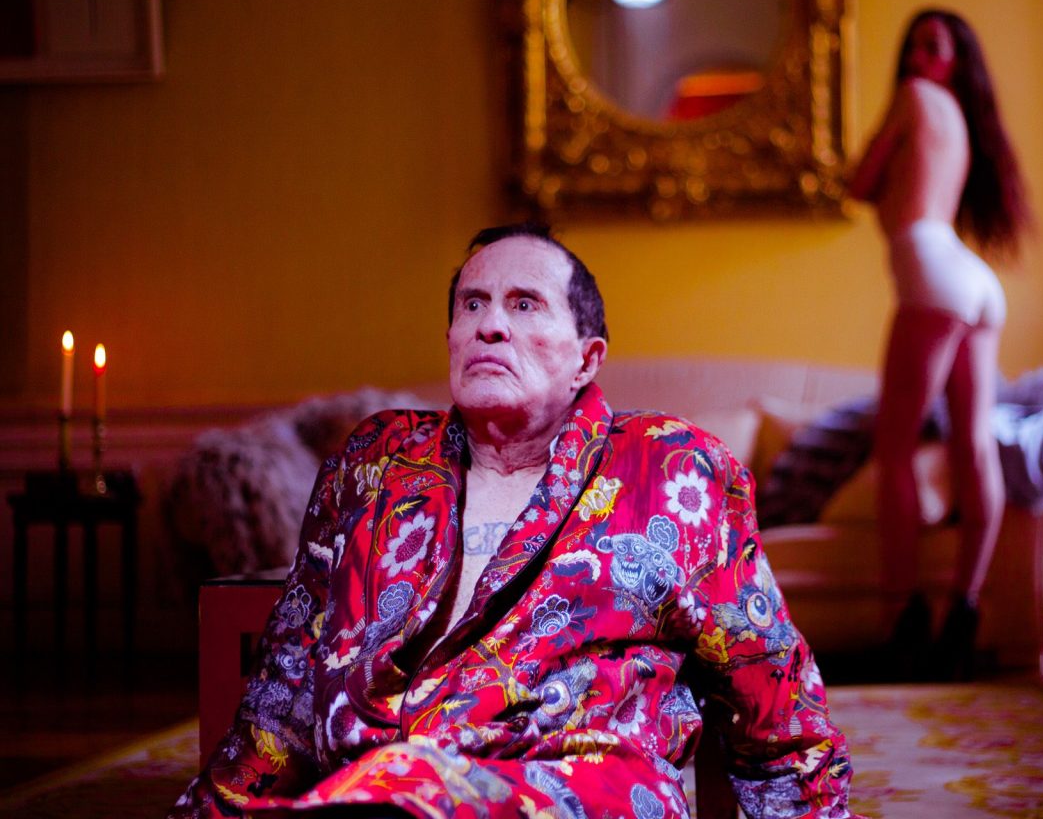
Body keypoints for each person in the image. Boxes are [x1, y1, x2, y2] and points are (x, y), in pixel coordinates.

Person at [170, 222, 852, 819]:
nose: (490, 325)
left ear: (587, 358)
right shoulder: (374, 464)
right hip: (370, 790)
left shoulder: (669, 469)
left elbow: (776, 708)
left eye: (524, 304)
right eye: (473, 305)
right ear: (450, 339)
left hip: (573, 792)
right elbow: (286, 688)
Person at [845, 9, 1032, 681]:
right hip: (973, 280)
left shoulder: (913, 96)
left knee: (894, 449)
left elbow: (858, 182)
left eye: (934, 46)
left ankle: (904, 615)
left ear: (954, 59)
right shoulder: (958, 115)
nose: (920, 57)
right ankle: (965, 607)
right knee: (972, 444)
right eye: (915, 45)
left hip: (933, 272)